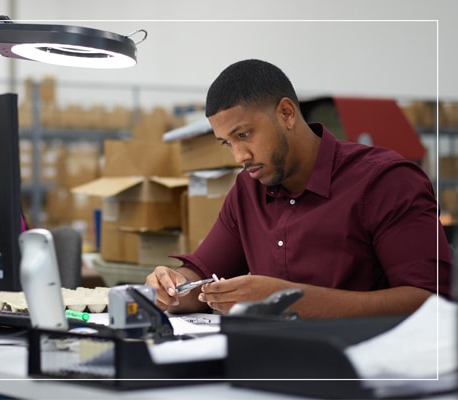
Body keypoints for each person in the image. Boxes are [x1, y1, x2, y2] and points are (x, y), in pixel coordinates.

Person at [146, 59, 452, 318]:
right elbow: (200, 277)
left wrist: (288, 299)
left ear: (287, 113)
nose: (240, 156)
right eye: (228, 142)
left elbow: (428, 302)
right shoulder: (247, 190)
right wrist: (172, 286)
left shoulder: (386, 181)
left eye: (245, 134)